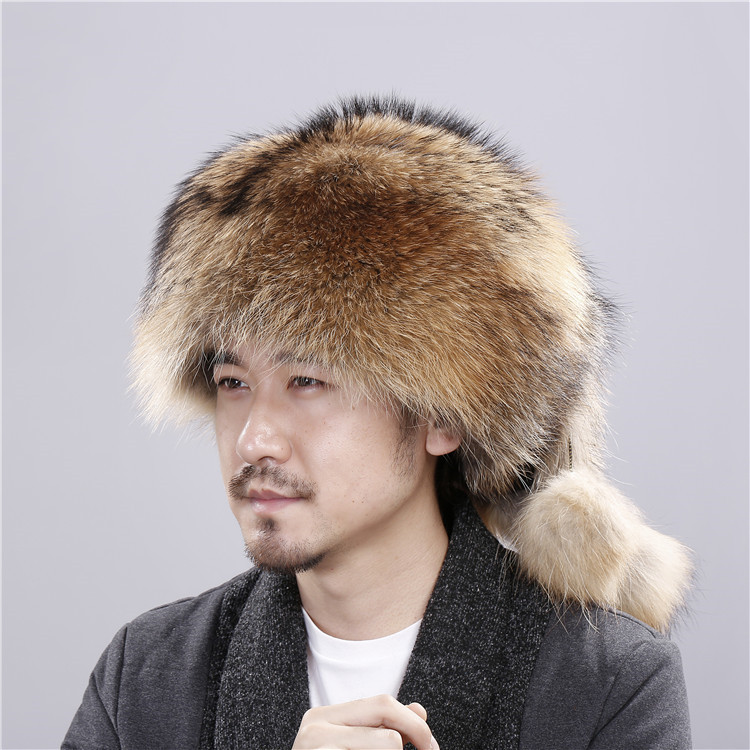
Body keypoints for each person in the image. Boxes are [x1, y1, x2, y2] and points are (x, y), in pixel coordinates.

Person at [63, 96, 692, 749]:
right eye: (233, 384)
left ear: (442, 416)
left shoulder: (607, 683)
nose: (253, 439)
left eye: (308, 381)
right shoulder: (146, 677)